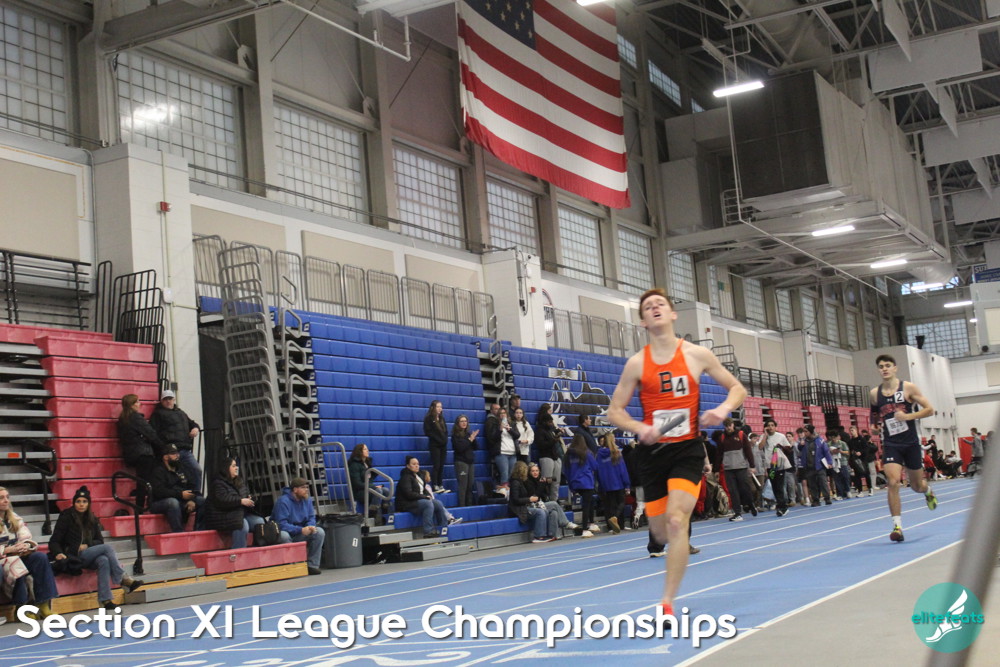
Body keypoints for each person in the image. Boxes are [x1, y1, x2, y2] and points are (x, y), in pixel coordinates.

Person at [607, 288, 745, 616]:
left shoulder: (697, 355)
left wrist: (722, 410)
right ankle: (665, 547)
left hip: (687, 449)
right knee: (659, 531)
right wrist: (640, 428)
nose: (654, 308)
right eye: (648, 307)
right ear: (643, 321)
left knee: (676, 520)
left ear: (672, 314)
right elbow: (614, 411)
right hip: (653, 454)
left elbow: (737, 388)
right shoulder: (637, 363)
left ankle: (667, 602)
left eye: (660, 304)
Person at [870, 354, 937, 542]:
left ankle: (927, 490)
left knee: (916, 486)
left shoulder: (908, 388)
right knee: (893, 482)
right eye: (881, 366)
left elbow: (929, 409)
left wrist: (908, 417)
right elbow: (874, 416)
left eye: (888, 365)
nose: (884, 369)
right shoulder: (875, 393)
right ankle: (897, 527)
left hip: (911, 444)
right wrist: (875, 427)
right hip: (891, 444)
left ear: (895, 368)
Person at [48, 486, 144, 610]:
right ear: (74, 503)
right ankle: (123, 579)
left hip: (88, 554)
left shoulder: (92, 518)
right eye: (78, 501)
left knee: (103, 560)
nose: (81, 504)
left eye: (84, 501)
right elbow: (54, 541)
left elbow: (99, 540)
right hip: (73, 555)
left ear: (88, 503)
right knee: (107, 548)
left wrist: (88, 545)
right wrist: (58, 553)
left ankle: (105, 600)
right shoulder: (66, 517)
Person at [0, 487, 58, 619]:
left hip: (17, 556)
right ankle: (21, 608)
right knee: (16, 564)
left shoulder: (14, 518)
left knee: (40, 558)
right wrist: (8, 550)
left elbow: (27, 537)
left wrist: (26, 545)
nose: (6, 500)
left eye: (7, 497)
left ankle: (44, 604)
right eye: (1, 498)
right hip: (3, 559)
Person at [204, 458, 264, 550]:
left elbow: (245, 494)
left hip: (239, 513)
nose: (236, 468)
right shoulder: (218, 483)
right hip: (223, 515)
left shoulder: (239, 481)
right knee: (242, 525)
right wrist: (241, 501)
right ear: (226, 468)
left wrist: (250, 499)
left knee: (259, 522)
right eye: (233, 466)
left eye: (236, 466)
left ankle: (255, 550)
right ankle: (238, 552)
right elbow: (223, 500)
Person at [149, 390, 203, 493]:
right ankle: (189, 496)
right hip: (171, 452)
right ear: (161, 401)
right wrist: (164, 449)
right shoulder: (158, 414)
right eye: (165, 399)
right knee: (179, 476)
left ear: (174, 400)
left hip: (184, 450)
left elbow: (193, 423)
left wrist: (195, 428)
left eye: (170, 399)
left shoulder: (181, 413)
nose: (168, 401)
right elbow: (153, 434)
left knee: (196, 470)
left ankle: (195, 495)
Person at [272, 477, 325, 575]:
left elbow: (311, 517)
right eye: (303, 487)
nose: (306, 490)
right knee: (284, 535)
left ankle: (312, 565)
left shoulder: (307, 500)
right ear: (295, 489)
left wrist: (310, 527)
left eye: (307, 487)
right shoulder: (283, 501)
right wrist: (300, 530)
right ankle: (291, 566)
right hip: (287, 532)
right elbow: (281, 524)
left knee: (319, 532)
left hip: (300, 532)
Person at [148, 444, 204, 532]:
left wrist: (192, 500)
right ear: (165, 457)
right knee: (172, 502)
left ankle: (199, 530)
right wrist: (180, 494)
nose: (177, 456)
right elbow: (159, 491)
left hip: (181, 499)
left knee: (201, 500)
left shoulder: (182, 469)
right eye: (173, 454)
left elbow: (192, 485)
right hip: (159, 502)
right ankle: (178, 532)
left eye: (177, 453)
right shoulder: (158, 471)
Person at [713, 419, 757, 521]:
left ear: (733, 425)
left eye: (730, 425)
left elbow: (748, 450)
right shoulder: (722, 438)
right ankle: (737, 513)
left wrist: (752, 465)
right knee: (733, 491)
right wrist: (716, 470)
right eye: (726, 426)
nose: (728, 427)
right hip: (728, 469)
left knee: (745, 488)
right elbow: (718, 454)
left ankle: (751, 504)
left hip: (741, 467)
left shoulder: (741, 435)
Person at [396, 458, 450, 538]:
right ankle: (428, 531)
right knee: (427, 503)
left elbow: (423, 490)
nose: (416, 466)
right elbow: (408, 494)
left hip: (418, 500)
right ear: (408, 466)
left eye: (417, 464)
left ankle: (443, 527)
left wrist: (429, 496)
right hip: (406, 503)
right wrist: (424, 497)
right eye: (414, 464)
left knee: (438, 503)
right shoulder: (405, 478)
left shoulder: (418, 476)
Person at [117, 393, 164, 482]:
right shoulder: (136, 418)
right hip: (142, 453)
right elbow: (151, 433)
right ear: (132, 405)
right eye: (137, 402)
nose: (139, 404)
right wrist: (163, 447)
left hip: (130, 453)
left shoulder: (123, 419)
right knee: (146, 480)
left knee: (141, 479)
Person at [525, 463, 578, 537]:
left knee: (554, 513)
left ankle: (553, 535)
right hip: (532, 506)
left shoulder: (540, 480)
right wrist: (542, 484)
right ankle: (565, 523)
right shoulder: (528, 482)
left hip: (541, 504)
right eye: (533, 471)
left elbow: (544, 495)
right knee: (554, 504)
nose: (535, 473)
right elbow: (535, 496)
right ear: (529, 472)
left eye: (537, 471)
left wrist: (546, 485)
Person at [508, 461, 555, 543]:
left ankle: (547, 534)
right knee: (540, 512)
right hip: (518, 509)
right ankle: (538, 536)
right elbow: (515, 500)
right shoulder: (515, 483)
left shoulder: (520, 482)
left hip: (524, 506)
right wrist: (529, 499)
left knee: (548, 511)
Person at [565, 433, 600, 535]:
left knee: (590, 500)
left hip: (575, 483)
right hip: (586, 482)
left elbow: (566, 471)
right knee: (586, 505)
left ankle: (591, 523)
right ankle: (585, 529)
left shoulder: (568, 455)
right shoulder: (586, 453)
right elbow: (595, 466)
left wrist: (571, 486)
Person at [595, 432, 630, 534]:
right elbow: (622, 470)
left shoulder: (599, 454)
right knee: (621, 502)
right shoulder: (616, 452)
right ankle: (616, 518)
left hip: (605, 484)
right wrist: (627, 484)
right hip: (618, 482)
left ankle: (612, 527)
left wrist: (600, 483)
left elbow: (597, 470)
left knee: (610, 506)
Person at [348, 444, 386, 518]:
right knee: (378, 491)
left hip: (368, 488)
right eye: (365, 449)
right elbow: (357, 484)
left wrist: (373, 485)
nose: (368, 450)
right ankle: (372, 515)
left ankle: (385, 515)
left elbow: (369, 479)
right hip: (359, 492)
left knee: (386, 491)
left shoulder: (367, 463)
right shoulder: (354, 465)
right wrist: (373, 487)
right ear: (359, 451)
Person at [762, 420, 791, 516]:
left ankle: (783, 507)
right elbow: (760, 447)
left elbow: (789, 449)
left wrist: (781, 447)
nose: (770, 427)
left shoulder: (781, 436)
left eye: (772, 425)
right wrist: (765, 435)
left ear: (775, 427)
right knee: (774, 487)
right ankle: (780, 505)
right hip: (770, 466)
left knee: (779, 486)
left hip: (780, 465)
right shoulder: (764, 437)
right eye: (768, 425)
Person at [798, 425, 833, 506]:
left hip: (819, 465)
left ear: (811, 432)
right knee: (812, 484)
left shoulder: (820, 440)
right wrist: (801, 445)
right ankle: (816, 500)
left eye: (806, 431)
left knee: (823, 482)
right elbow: (799, 449)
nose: (804, 433)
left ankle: (827, 498)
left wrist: (829, 462)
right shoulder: (804, 441)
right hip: (809, 466)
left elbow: (826, 452)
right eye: (804, 431)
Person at [534, 412, 564, 505]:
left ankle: (554, 500)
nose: (551, 423)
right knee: (546, 480)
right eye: (549, 422)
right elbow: (541, 445)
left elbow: (553, 437)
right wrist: (553, 440)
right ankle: (544, 499)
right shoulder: (539, 431)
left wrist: (557, 433)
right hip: (546, 457)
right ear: (545, 422)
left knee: (556, 481)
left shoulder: (551, 430)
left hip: (555, 456)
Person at [452, 415, 479, 506]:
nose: (464, 423)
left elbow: (476, 447)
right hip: (461, 462)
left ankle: (469, 505)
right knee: (463, 485)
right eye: (462, 421)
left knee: (470, 485)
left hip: (470, 462)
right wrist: (470, 440)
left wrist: (473, 439)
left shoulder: (468, 434)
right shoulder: (455, 435)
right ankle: (462, 506)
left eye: (465, 421)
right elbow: (460, 448)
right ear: (458, 423)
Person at [422, 401, 448, 493]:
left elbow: (445, 431)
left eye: (441, 407)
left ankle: (440, 484)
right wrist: (438, 439)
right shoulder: (429, 418)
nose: (440, 409)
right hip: (435, 445)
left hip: (443, 445)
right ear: (433, 407)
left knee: (441, 465)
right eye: (438, 407)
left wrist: (445, 440)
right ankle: (435, 484)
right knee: (436, 465)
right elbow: (428, 432)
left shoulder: (441, 418)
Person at [495, 408, 518, 489]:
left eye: (504, 413)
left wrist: (510, 430)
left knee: (510, 474)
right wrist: (500, 429)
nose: (503, 415)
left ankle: (509, 493)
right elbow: (492, 438)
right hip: (502, 453)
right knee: (504, 474)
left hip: (512, 452)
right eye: (501, 413)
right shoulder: (496, 424)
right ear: (498, 415)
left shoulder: (512, 424)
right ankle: (504, 493)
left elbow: (517, 435)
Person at [484, 403, 503, 487]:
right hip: (496, 450)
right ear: (491, 410)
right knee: (498, 472)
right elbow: (491, 437)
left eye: (499, 409)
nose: (498, 411)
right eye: (496, 409)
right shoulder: (490, 421)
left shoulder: (500, 420)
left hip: (500, 449)